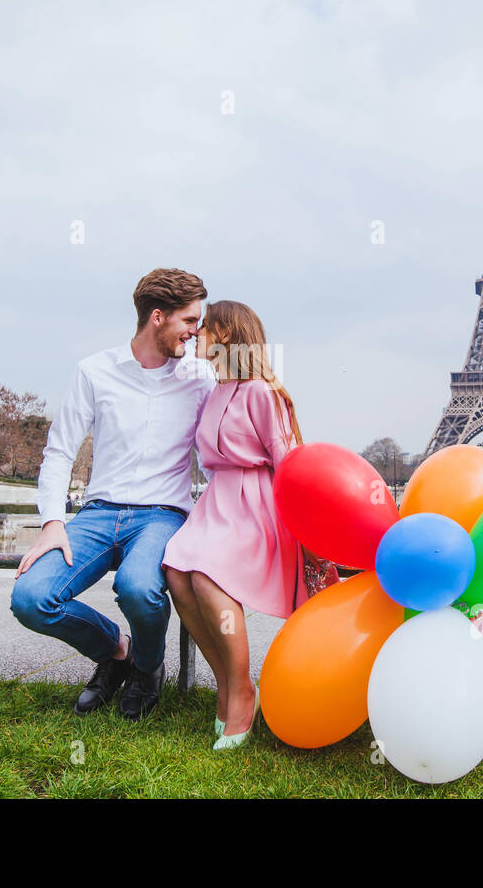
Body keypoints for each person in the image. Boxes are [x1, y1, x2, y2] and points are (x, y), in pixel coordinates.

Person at [11, 269, 217, 719]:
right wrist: (52, 523)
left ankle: (148, 668)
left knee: (139, 588)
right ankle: (117, 652)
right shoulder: (94, 371)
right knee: (30, 599)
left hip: (162, 515)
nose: (196, 331)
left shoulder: (202, 378)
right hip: (98, 514)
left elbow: (230, 434)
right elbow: (60, 450)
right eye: (189, 320)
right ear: (157, 317)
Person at [161, 300, 309, 751]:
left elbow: (287, 462)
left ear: (227, 335)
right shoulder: (214, 392)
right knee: (176, 574)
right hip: (216, 504)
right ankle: (229, 684)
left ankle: (242, 693)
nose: (197, 333)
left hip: (255, 506)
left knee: (207, 577)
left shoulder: (263, 393)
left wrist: (303, 528)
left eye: (206, 326)